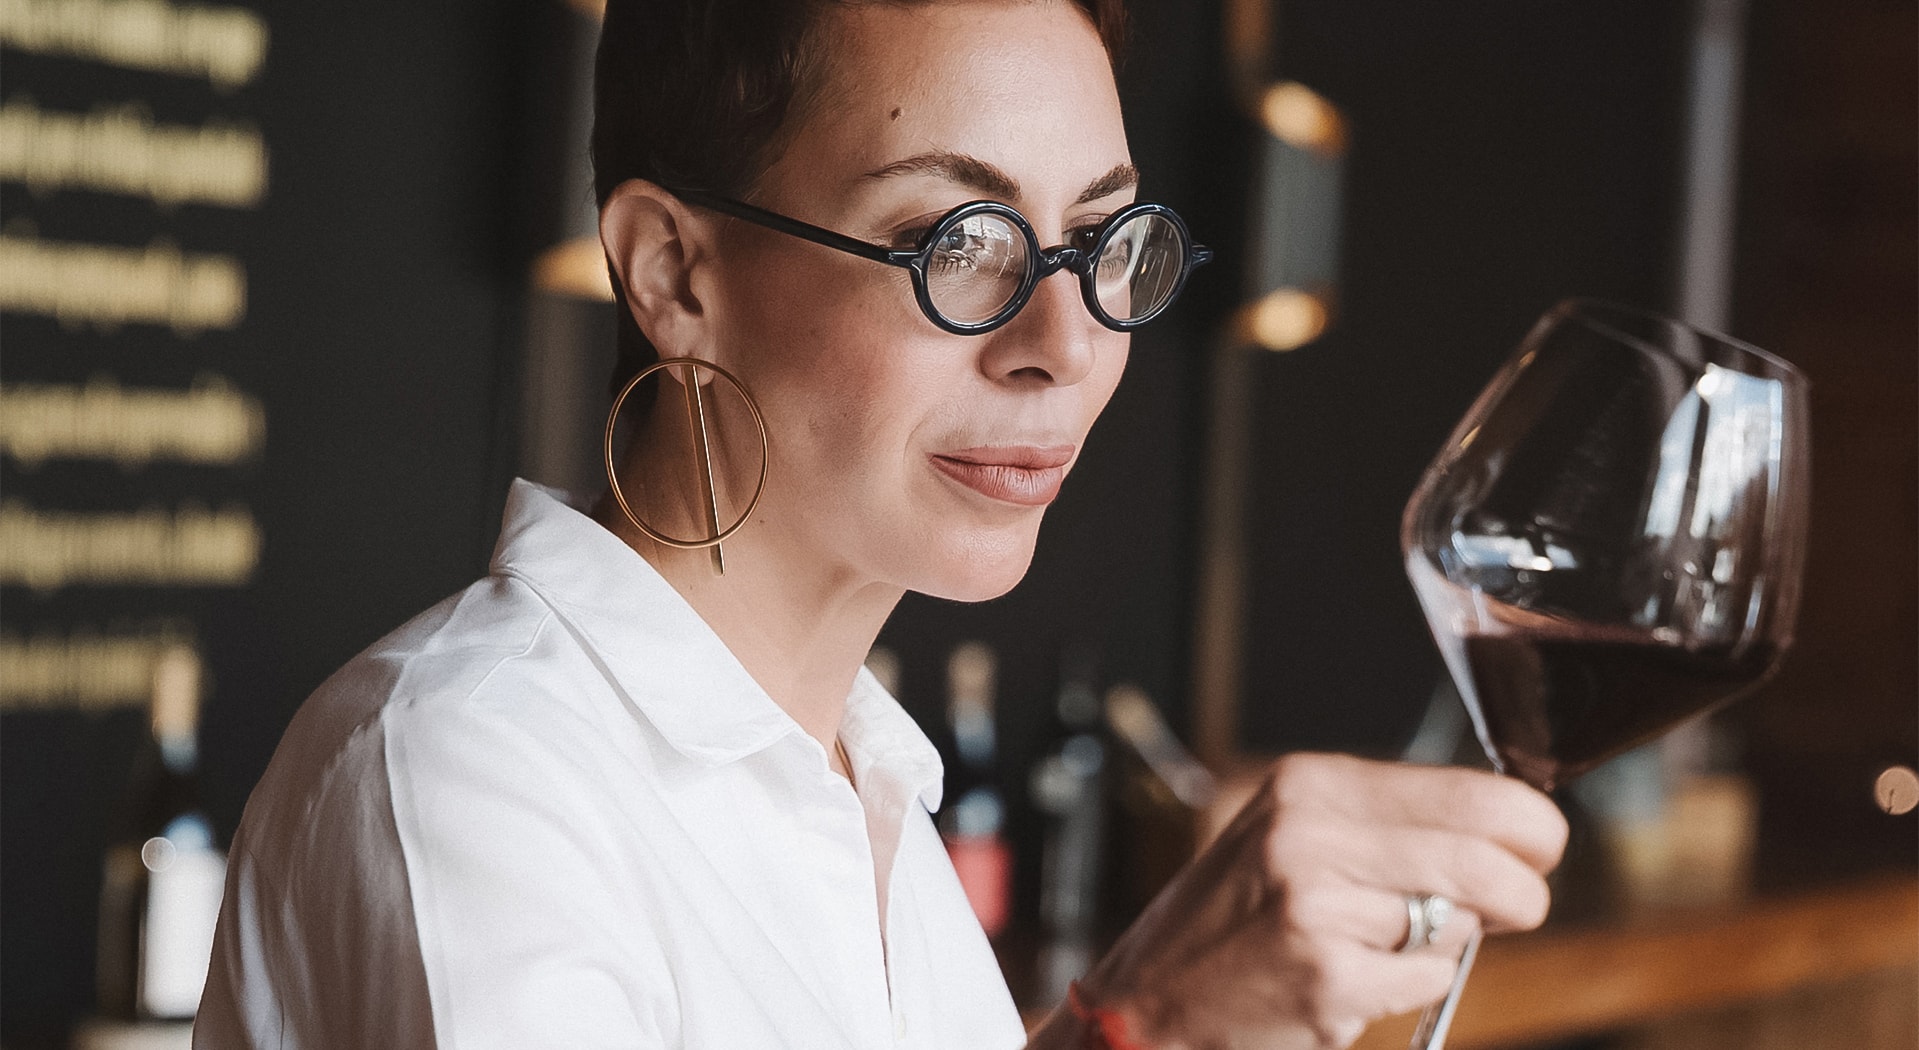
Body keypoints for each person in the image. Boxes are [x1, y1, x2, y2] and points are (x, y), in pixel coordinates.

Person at [197, 1, 1568, 1047]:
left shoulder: (875, 790)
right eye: (956, 243)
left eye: (1103, 243)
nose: (1063, 342)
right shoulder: (469, 767)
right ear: (675, 270)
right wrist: (1142, 1019)